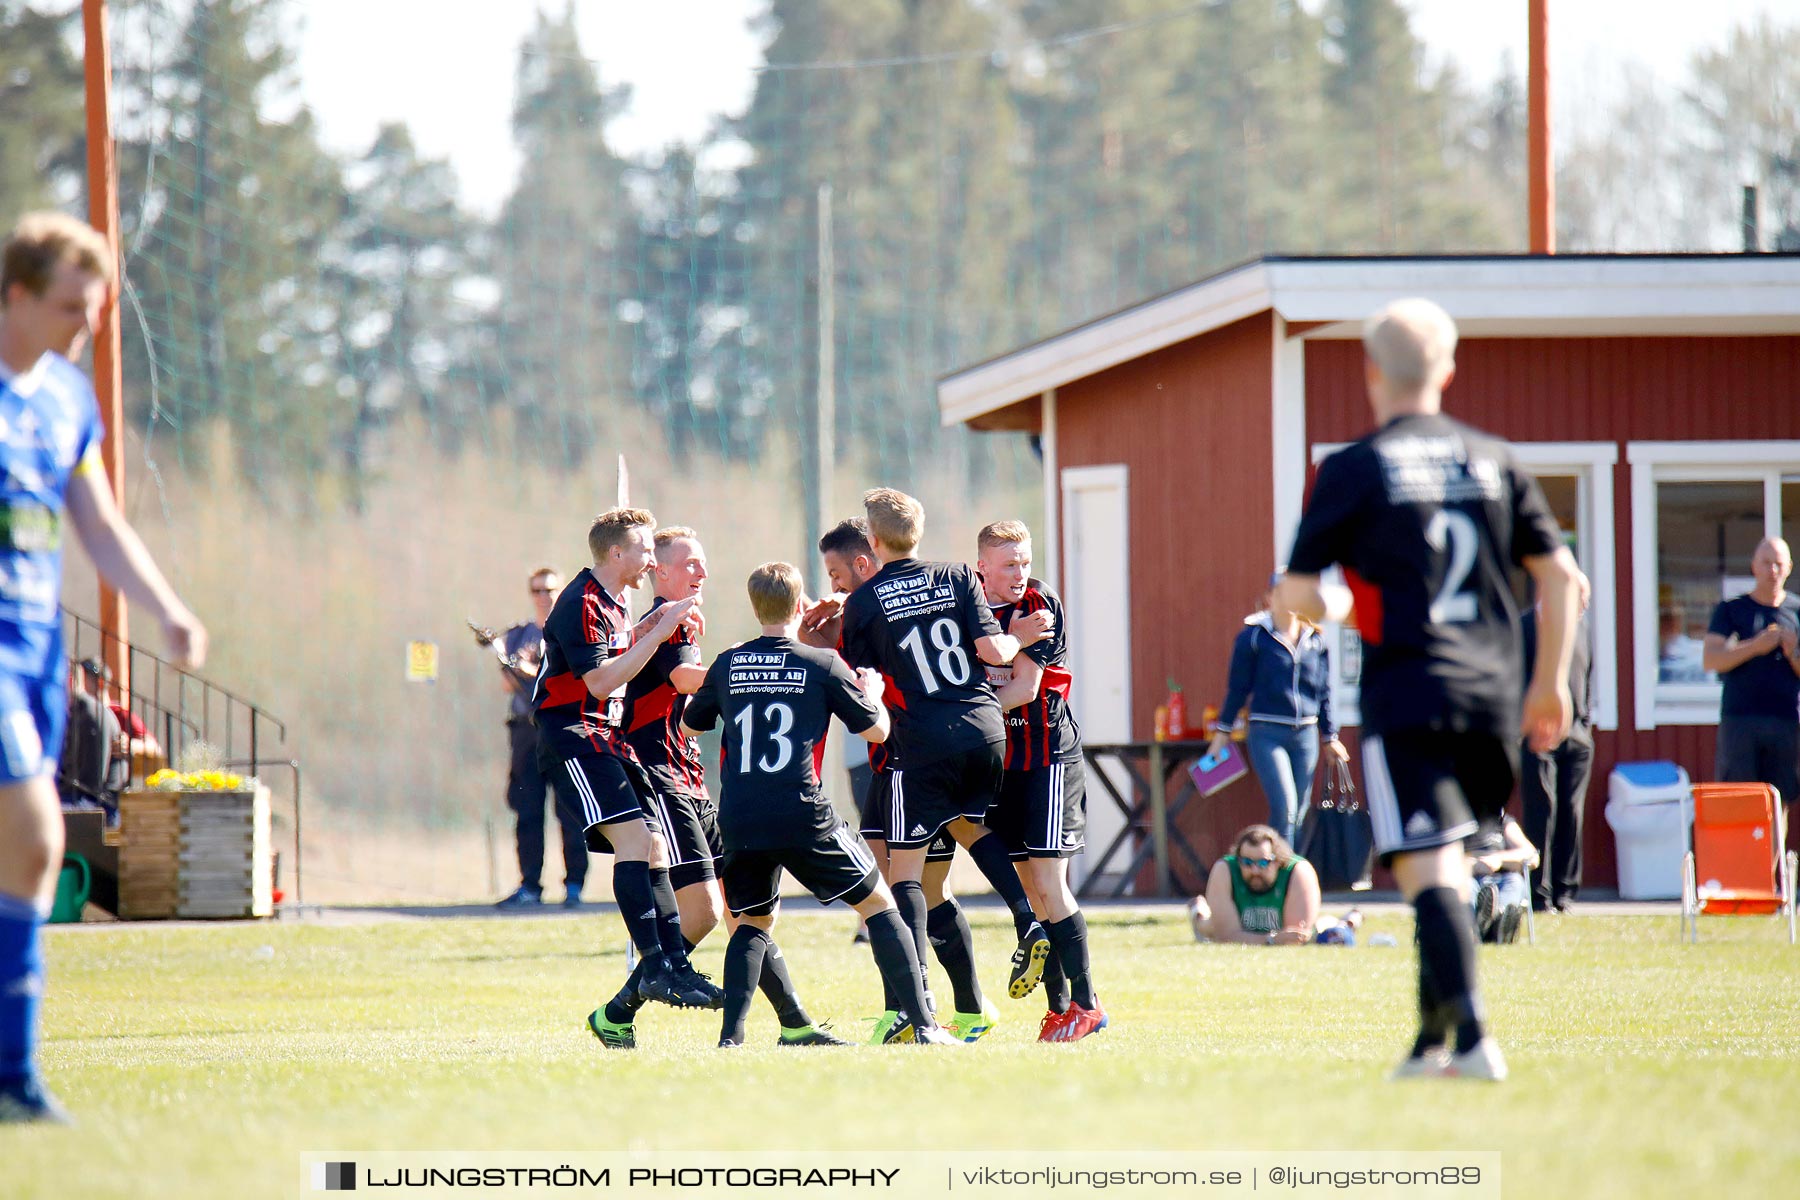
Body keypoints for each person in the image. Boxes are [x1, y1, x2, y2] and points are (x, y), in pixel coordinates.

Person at [1274, 297, 1583, 1083]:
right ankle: (1431, 1046)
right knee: (1442, 857)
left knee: (1428, 869)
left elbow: (1297, 592)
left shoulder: (1353, 468)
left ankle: (1475, 1039)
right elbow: (1563, 578)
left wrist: (1340, 606)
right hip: (1494, 695)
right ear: (1447, 370)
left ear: (1371, 372)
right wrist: (1550, 685)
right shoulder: (1497, 460)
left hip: (1409, 689)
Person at [0, 211, 209, 1123]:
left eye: (93, 310)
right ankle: (16, 1078)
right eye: (66, 307)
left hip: (40, 654)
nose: (82, 326)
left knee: (26, 861)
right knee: (38, 836)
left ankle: (13, 1075)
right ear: (14, 294)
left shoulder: (66, 399)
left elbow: (98, 525)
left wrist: (167, 607)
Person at [681, 562, 959, 1046]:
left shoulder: (727, 662)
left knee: (750, 923)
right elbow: (877, 731)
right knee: (880, 904)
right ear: (799, 605)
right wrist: (871, 694)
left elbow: (690, 724)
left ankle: (731, 1039)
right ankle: (926, 1026)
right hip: (802, 812)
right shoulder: (821, 664)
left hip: (741, 815)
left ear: (755, 606)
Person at [531, 507, 725, 1049]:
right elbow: (598, 681)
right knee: (637, 840)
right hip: (574, 734)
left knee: (654, 847)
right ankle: (659, 967)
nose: (648, 559)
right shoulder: (582, 601)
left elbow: (618, 652)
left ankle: (668, 967)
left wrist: (657, 623)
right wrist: (661, 630)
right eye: (643, 550)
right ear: (617, 554)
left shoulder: (616, 599)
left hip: (603, 738)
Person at [813, 517, 994, 1042]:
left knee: (899, 891)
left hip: (910, 764)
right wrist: (829, 641)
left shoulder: (878, 606)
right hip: (896, 764)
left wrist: (820, 647)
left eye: (837, 572)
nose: (835, 585)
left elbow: (860, 694)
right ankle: (961, 1007)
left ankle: (915, 1012)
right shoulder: (900, 599)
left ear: (865, 560)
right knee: (914, 890)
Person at [975, 521, 1106, 1042]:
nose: (1020, 573)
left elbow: (1025, 688)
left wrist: (962, 712)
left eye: (1025, 561)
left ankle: (1087, 1004)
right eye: (1009, 564)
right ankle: (1058, 1009)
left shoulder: (1038, 604)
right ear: (982, 566)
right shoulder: (966, 602)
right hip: (1002, 763)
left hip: (1047, 755)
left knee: (1051, 883)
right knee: (1029, 890)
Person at [1208, 575, 1346, 846]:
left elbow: (1324, 692)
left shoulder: (1315, 640)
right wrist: (1222, 734)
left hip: (1305, 734)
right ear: (1270, 597)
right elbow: (1237, 688)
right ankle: (1280, 880)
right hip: (1267, 732)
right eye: (1285, 592)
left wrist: (1331, 736)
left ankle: (1289, 875)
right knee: (1286, 807)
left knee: (1300, 813)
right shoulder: (1254, 638)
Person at [491, 567, 589, 909]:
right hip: (525, 729)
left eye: (549, 589)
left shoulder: (570, 630)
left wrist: (533, 669)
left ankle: (574, 884)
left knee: (571, 811)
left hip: (562, 726)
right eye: (537, 590)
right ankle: (530, 884)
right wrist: (515, 666)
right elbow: (506, 683)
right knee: (527, 808)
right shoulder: (518, 635)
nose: (543, 596)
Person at [1702, 537, 1800, 808]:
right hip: (1740, 720)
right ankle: (1742, 852)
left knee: (1778, 801)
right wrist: (1754, 647)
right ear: (1753, 566)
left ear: (1789, 568)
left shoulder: (1796, 611)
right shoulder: (1731, 610)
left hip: (1785, 720)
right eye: (1766, 563)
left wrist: (1793, 652)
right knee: (1739, 800)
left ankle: (1775, 852)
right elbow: (1711, 659)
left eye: (1779, 564)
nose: (1773, 571)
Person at [1520, 574, 1594, 912]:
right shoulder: (1523, 628)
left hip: (1577, 737)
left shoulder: (1582, 631)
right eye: (1581, 597)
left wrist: (1584, 723)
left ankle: (1565, 892)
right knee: (1541, 809)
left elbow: (1586, 677)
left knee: (1571, 811)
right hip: (1537, 735)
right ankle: (1539, 893)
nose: (1584, 606)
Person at [1188, 824, 1322, 945]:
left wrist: (1269, 939)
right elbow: (1226, 937)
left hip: (1245, 931)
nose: (1255, 870)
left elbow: (1295, 937)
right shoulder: (1226, 869)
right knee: (1208, 928)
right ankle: (1198, 914)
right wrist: (1271, 940)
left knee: (1324, 925)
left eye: (1263, 863)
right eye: (1247, 862)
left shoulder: (1297, 872)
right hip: (1234, 924)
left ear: (1278, 861)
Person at [58, 659, 124, 818]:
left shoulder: (89, 714)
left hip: (97, 803)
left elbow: (90, 781)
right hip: (76, 797)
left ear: (69, 679)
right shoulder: (73, 712)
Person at [1465, 814, 1538, 945]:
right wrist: (1473, 864)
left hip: (1502, 877)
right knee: (1466, 885)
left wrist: (1499, 859)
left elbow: (1532, 856)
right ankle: (1474, 925)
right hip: (1468, 876)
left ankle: (1498, 924)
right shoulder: (1455, 817)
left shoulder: (1502, 821)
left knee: (1515, 881)